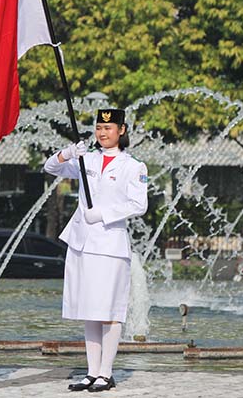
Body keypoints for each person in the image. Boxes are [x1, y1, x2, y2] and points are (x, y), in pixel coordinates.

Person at [44, 108, 149, 393]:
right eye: (99, 129)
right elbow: (50, 168)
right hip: (82, 242)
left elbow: (139, 205)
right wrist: (67, 153)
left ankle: (106, 372)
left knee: (109, 310)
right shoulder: (86, 159)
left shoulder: (133, 166)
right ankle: (91, 372)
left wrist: (102, 213)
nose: (102, 133)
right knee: (89, 309)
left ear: (122, 130)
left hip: (110, 245)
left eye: (109, 128)